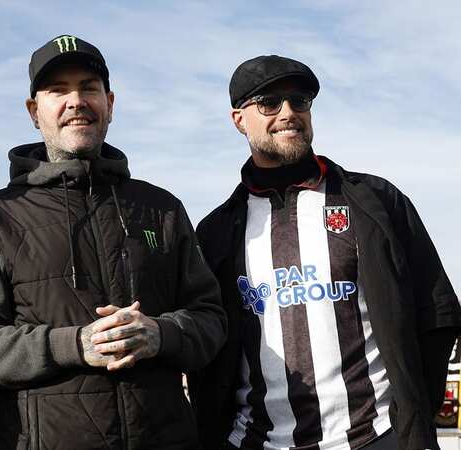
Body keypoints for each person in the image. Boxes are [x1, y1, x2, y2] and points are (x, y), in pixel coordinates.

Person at [0, 34, 226, 449]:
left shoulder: (162, 209)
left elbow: (212, 319)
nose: (75, 101)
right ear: (33, 110)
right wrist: (74, 344)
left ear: (110, 104)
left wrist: (160, 334)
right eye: (57, 90)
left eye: (88, 88)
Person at [194, 54, 461, 450]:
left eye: (299, 101)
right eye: (269, 102)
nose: (288, 112)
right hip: (256, 442)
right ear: (239, 119)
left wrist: (410, 419)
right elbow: (208, 348)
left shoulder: (375, 202)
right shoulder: (216, 231)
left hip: (375, 438)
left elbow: (436, 314)